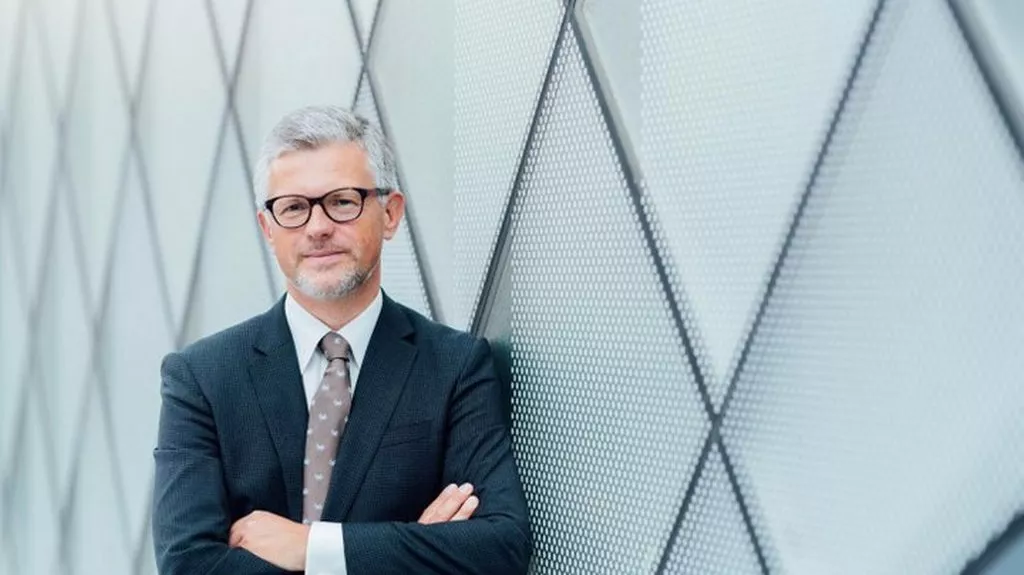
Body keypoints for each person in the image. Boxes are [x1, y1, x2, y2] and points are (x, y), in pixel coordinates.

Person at [151, 105, 531, 574]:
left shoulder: (455, 366)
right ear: (268, 228)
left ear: (390, 214)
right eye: (293, 208)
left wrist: (311, 547)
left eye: (343, 202)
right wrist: (408, 550)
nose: (318, 227)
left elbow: (499, 548)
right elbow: (186, 565)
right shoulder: (202, 378)